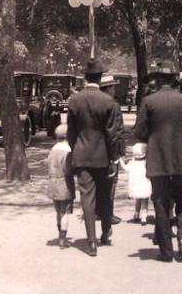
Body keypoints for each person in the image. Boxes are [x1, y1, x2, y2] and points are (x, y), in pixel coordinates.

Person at [134, 60, 182, 262]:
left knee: (161, 204)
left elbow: (139, 132)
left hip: (158, 160)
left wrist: (154, 137)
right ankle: (181, 238)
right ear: (174, 79)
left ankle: (166, 250)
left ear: (158, 78)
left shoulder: (148, 101)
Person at [67, 59, 122, 257]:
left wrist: (76, 150)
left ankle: (91, 241)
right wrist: (114, 158)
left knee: (87, 198)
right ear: (100, 78)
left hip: (82, 155)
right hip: (103, 156)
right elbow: (112, 134)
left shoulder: (74, 100)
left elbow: (71, 132)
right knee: (105, 196)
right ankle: (105, 232)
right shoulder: (109, 102)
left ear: (85, 77)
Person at [100, 74, 125, 225]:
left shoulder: (95, 103)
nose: (115, 90)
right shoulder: (113, 105)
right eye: (113, 87)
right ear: (108, 88)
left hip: (96, 149)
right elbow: (116, 131)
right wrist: (117, 153)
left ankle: (100, 210)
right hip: (111, 149)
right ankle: (108, 213)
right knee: (112, 181)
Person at [46, 124, 75, 249]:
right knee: (65, 213)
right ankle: (63, 239)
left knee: (58, 212)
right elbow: (69, 170)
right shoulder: (68, 150)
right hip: (64, 184)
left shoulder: (53, 150)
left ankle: (59, 235)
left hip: (53, 182)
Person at [120, 143, 152, 225]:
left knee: (138, 200)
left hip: (136, 186)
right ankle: (144, 216)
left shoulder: (132, 163)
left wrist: (121, 161)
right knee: (145, 201)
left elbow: (125, 168)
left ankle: (137, 214)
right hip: (145, 186)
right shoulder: (147, 163)